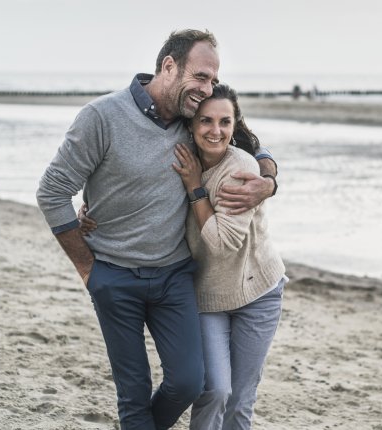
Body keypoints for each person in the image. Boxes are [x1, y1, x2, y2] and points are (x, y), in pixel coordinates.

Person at [35, 29, 278, 430]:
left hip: (174, 277)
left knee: (189, 383)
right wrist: (86, 268)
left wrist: (269, 181)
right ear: (169, 66)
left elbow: (248, 142)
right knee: (133, 396)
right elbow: (52, 191)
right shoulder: (102, 117)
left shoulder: (194, 118)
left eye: (213, 80)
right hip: (113, 275)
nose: (207, 88)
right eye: (200, 76)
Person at [80, 84, 285, 429]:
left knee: (240, 399)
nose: (215, 130)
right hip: (207, 292)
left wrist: (262, 181)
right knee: (214, 390)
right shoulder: (178, 156)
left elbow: (221, 242)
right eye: (205, 121)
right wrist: (91, 208)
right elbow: (128, 181)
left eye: (225, 122)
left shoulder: (241, 169)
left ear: (235, 126)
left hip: (257, 291)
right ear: (190, 124)